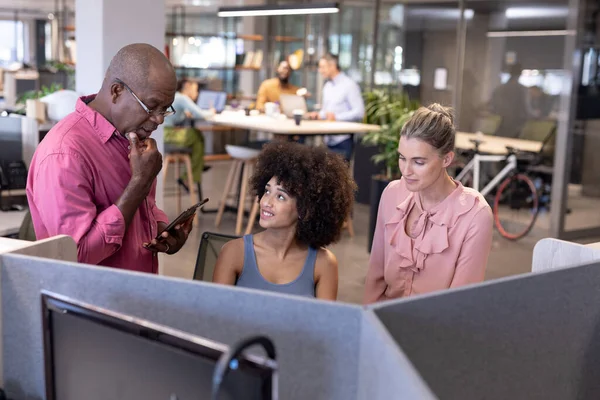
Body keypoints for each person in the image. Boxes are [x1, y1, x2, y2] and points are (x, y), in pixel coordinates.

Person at [26, 43, 194, 274]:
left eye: (165, 109)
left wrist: (161, 228)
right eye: (152, 107)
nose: (159, 120)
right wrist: (139, 183)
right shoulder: (64, 154)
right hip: (90, 303)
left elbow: (145, 207)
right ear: (116, 91)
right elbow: (76, 254)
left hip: (136, 291)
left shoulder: (130, 138)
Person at [363, 104, 493, 303]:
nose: (406, 171)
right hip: (382, 323)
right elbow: (375, 279)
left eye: (419, 162)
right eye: (401, 158)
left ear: (447, 159)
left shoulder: (475, 214)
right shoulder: (392, 194)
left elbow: (460, 303)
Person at [212, 141, 357, 300]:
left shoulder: (324, 264)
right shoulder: (234, 253)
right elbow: (215, 319)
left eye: (280, 196)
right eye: (267, 191)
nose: (266, 202)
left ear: (305, 208)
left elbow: (324, 323)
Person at [307, 53, 365, 162]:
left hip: (343, 141)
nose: (320, 70)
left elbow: (359, 112)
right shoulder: (327, 86)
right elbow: (327, 111)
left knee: (339, 177)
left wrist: (336, 117)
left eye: (322, 67)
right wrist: (319, 115)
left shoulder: (349, 85)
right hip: (328, 141)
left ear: (332, 66)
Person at [163, 77, 215, 194]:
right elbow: (200, 114)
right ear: (187, 86)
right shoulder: (182, 97)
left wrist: (185, 115)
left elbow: (175, 115)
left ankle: (195, 168)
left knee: (197, 137)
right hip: (168, 134)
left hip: (165, 133)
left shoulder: (176, 96)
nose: (196, 94)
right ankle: (192, 171)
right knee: (196, 135)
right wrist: (212, 112)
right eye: (195, 90)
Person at [490, 63, 529, 138]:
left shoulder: (499, 88)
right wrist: (536, 115)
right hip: (515, 124)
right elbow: (526, 108)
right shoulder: (522, 89)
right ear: (520, 73)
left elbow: (493, 105)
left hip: (501, 121)